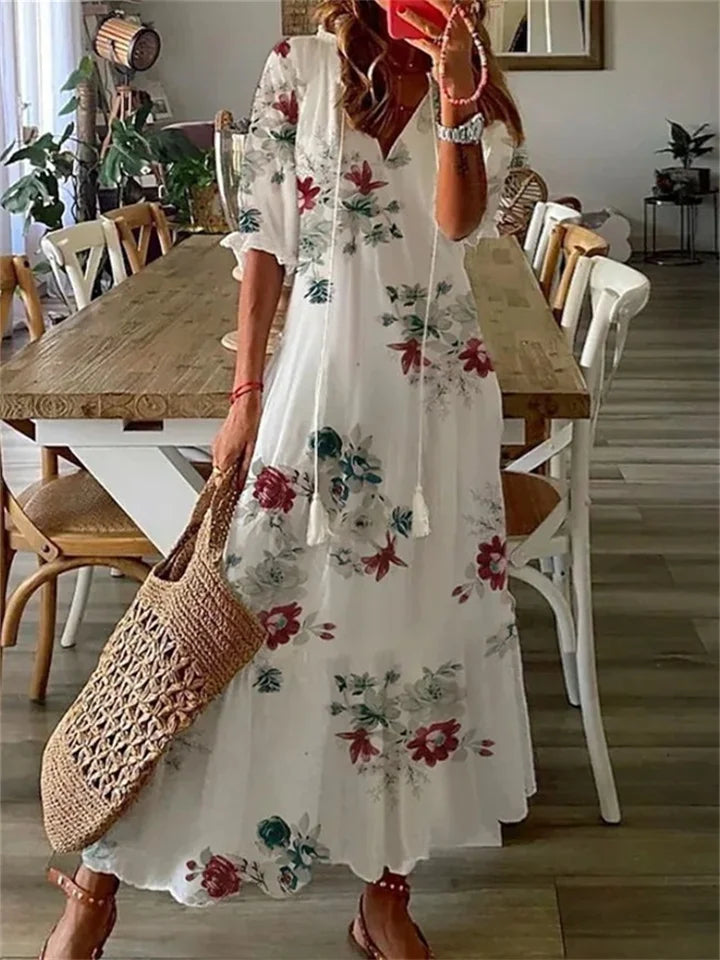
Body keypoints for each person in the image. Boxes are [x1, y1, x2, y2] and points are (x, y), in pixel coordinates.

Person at [40, 2, 533, 957]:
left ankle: (385, 893)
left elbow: (456, 222)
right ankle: (97, 879)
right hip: (314, 391)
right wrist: (246, 392)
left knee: (416, 639)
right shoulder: (297, 67)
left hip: (437, 404)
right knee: (229, 626)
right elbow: (262, 239)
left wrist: (455, 94)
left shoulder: (476, 82)